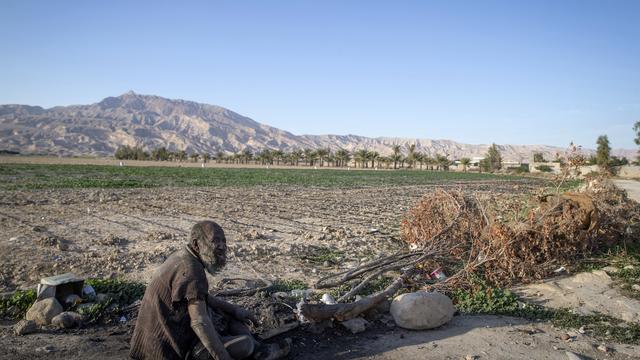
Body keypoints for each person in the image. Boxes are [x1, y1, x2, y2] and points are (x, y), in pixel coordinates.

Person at [130, 221, 290, 360]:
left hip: (147, 346)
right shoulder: (191, 271)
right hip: (166, 352)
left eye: (224, 241)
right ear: (196, 244)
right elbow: (199, 322)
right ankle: (257, 349)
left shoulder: (183, 257)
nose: (222, 246)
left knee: (231, 317)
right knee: (244, 345)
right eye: (215, 241)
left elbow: (201, 297)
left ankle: (258, 348)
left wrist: (235, 309)